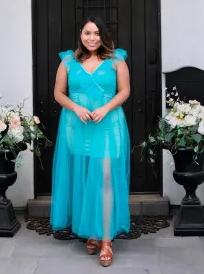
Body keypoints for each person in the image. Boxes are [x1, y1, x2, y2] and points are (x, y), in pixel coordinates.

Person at [50, 15, 131, 267]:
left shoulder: (117, 60)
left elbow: (125, 91)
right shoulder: (68, 61)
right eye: (87, 33)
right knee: (85, 176)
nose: (92, 38)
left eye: (96, 33)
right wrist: (75, 108)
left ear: (103, 35)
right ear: (81, 35)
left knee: (106, 178)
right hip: (78, 127)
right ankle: (92, 232)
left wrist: (106, 109)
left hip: (108, 126)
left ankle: (106, 239)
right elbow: (58, 93)